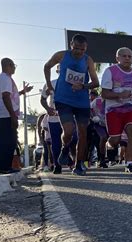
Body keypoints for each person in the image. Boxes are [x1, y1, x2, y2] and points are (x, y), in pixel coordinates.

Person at [43, 34, 100, 176]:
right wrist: (49, 84)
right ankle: (65, 147)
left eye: (82, 49)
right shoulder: (61, 55)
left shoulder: (88, 60)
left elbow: (95, 83)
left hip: (81, 101)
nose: (79, 52)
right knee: (68, 131)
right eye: (76, 48)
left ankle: (79, 164)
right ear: (71, 45)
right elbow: (47, 66)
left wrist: (83, 86)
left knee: (82, 132)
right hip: (63, 99)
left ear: (86, 48)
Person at [101, 47, 132, 173]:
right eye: (124, 56)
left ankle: (130, 163)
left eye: (129, 56)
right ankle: (109, 145)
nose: (127, 58)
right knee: (115, 140)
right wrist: (120, 95)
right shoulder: (110, 71)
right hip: (113, 110)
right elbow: (104, 94)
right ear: (117, 58)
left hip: (131, 109)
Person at [0, 58, 33, 174]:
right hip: (5, 115)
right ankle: (4, 167)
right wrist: (12, 116)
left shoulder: (5, 78)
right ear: (8, 65)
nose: (15, 68)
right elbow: (6, 96)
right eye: (13, 65)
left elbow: (11, 96)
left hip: (5, 114)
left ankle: (5, 166)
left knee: (10, 140)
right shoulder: (5, 78)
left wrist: (22, 91)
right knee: (7, 141)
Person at [89, 90, 109, 168]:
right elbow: (90, 109)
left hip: (109, 124)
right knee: (103, 138)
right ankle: (102, 159)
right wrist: (93, 117)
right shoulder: (97, 100)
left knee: (109, 140)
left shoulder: (111, 101)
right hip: (99, 124)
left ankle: (102, 158)